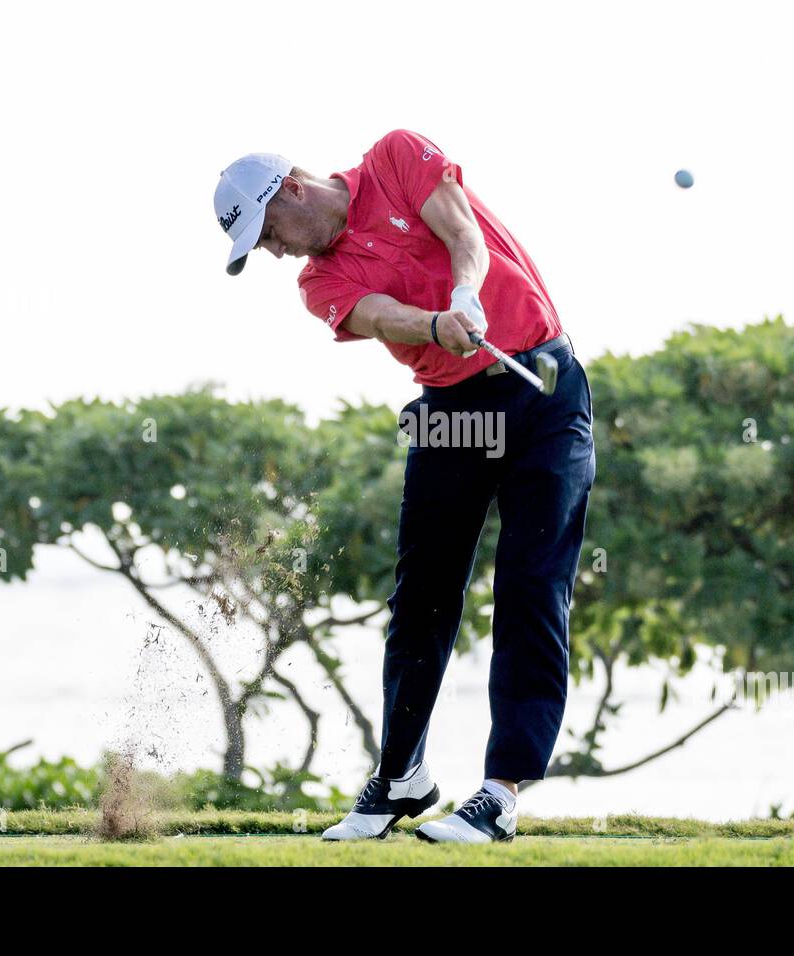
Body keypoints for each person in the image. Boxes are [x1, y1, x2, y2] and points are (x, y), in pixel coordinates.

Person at [213, 130, 595, 843]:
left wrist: (467, 294)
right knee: (421, 595)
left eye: (269, 233)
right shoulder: (317, 283)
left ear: (292, 188)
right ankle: (400, 779)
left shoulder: (395, 157)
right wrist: (434, 324)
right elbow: (379, 317)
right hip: (451, 413)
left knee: (532, 584)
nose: (276, 252)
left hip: (542, 390)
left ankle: (501, 793)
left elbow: (462, 230)